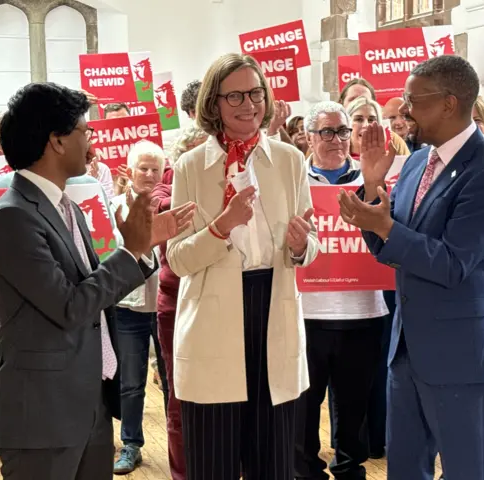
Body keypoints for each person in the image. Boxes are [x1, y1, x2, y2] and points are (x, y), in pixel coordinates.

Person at [0, 82, 189, 480]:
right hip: (42, 414)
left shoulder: (67, 207)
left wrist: (144, 248)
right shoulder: (12, 216)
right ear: (56, 141)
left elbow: (94, 290)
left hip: (86, 402)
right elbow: (71, 306)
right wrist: (130, 251)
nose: (92, 144)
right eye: (85, 131)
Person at [338, 55, 484, 480]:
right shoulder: (418, 161)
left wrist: (384, 225)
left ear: (449, 103)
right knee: (403, 469)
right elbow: (389, 248)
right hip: (407, 350)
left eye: (413, 101)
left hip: (462, 355)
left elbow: (454, 265)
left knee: (465, 471)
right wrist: (373, 186)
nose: (404, 111)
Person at [167, 53, 318, 480]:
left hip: (275, 309)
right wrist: (221, 227)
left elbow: (311, 242)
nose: (248, 103)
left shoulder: (289, 159)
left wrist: (302, 244)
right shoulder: (191, 166)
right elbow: (177, 260)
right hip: (214, 319)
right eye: (234, 95)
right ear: (214, 103)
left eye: (255, 92)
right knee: (213, 460)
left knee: (273, 462)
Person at [294, 100, 387, 480]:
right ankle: (305, 472)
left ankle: (350, 469)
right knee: (303, 407)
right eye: (327, 132)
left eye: (343, 131)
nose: (336, 139)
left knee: (354, 408)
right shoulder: (294, 180)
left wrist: (372, 185)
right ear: (310, 137)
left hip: (363, 312)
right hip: (308, 314)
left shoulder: (370, 178)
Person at [109, 140, 178, 474]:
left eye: (156, 169)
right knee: (131, 382)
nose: (150, 175)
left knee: (173, 381)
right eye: (143, 169)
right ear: (129, 171)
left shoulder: (176, 207)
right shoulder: (114, 208)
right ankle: (131, 444)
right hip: (129, 307)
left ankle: (180, 443)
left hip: (169, 306)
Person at [154, 124, 208, 480]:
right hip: (178, 304)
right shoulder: (164, 189)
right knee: (182, 399)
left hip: (223, 303)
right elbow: (164, 208)